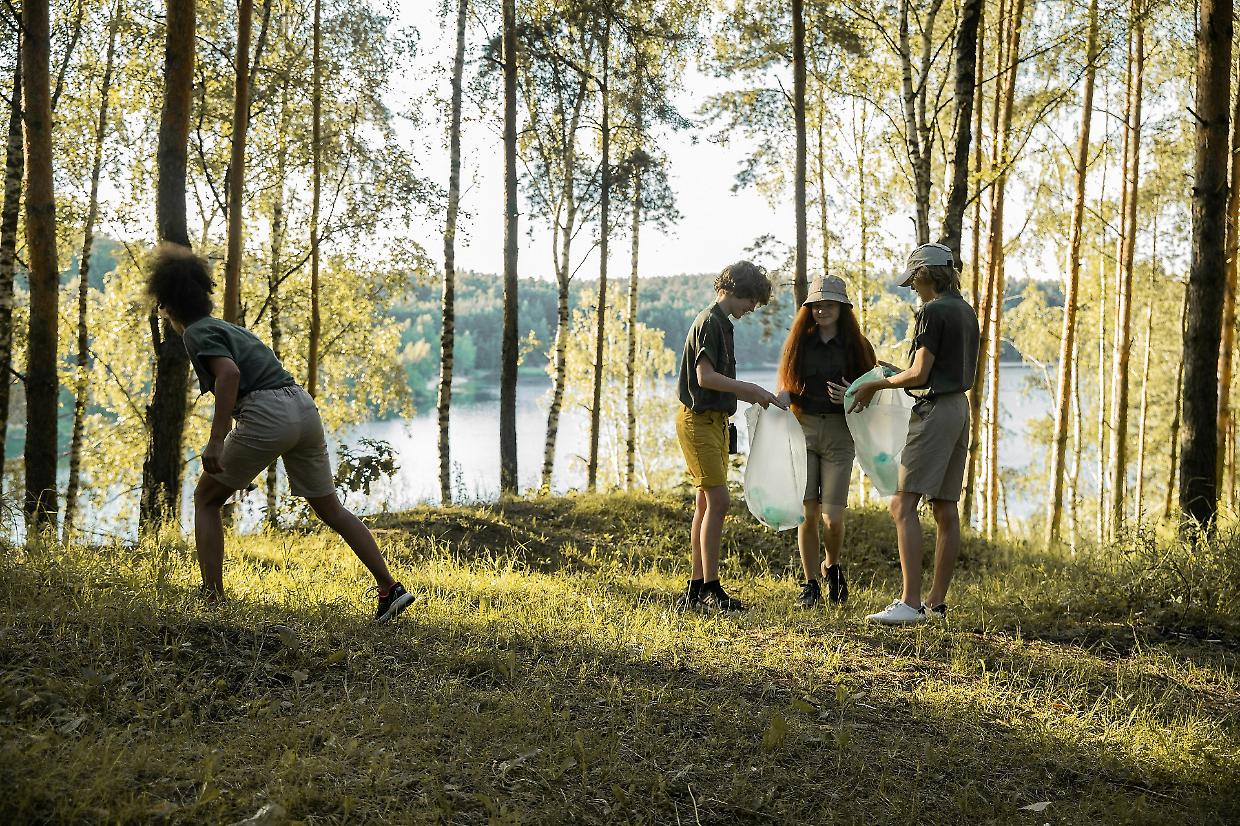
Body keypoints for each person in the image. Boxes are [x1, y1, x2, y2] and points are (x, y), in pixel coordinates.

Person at [146, 243, 415, 623]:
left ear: (168, 305)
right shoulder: (230, 328)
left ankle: (212, 599)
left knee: (205, 500)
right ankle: (390, 588)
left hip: (266, 411)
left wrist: (217, 439)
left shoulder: (195, 333)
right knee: (331, 509)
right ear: (203, 294)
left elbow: (229, 375)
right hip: (302, 406)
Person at [848, 242, 980, 625]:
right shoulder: (965, 311)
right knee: (944, 507)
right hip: (958, 408)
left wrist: (874, 385)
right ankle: (935, 605)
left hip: (935, 411)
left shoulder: (932, 311)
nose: (912, 289)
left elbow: (921, 375)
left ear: (925, 274)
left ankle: (909, 603)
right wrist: (894, 372)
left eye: (913, 282)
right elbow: (935, 370)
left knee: (902, 504)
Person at [675, 260, 784, 612]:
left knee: (706, 504)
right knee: (719, 502)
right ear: (737, 290)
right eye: (751, 300)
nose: (753, 307)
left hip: (716, 422)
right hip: (698, 421)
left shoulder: (723, 323)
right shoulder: (710, 321)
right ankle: (710, 586)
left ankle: (697, 588)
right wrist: (750, 390)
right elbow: (705, 377)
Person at [775, 275, 877, 609]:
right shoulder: (799, 343)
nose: (822, 311)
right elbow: (788, 383)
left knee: (832, 517)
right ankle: (810, 584)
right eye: (817, 306)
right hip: (803, 430)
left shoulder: (858, 346)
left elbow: (872, 393)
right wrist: (783, 395)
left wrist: (851, 394)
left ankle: (832, 565)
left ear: (842, 308)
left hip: (839, 434)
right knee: (808, 513)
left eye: (829, 305)